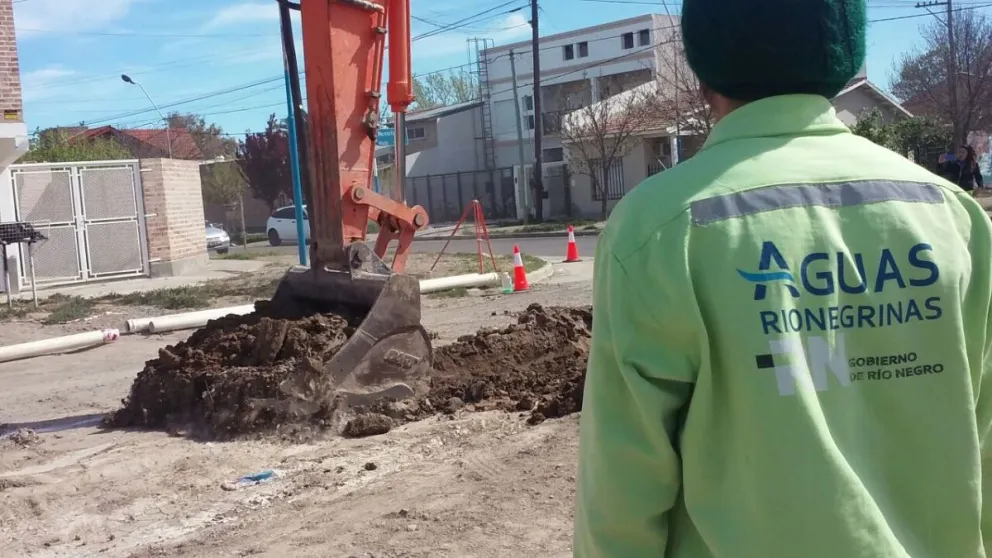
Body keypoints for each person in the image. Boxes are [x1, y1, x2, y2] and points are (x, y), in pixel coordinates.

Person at [572, 0, 992, 557]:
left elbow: (622, 482)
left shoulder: (660, 228)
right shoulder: (952, 216)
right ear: (845, 53)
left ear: (702, 67)